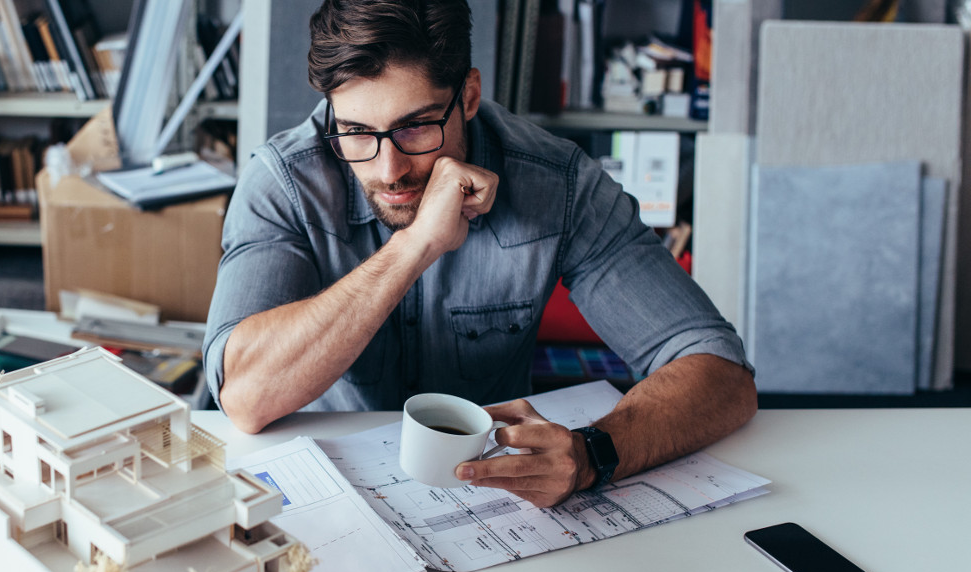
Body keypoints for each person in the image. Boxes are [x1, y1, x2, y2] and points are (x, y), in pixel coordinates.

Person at [202, 0, 757, 507]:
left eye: (415, 126)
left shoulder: (558, 184)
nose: (387, 169)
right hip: (326, 493)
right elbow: (246, 397)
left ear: (468, 96)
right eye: (355, 131)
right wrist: (416, 245)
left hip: (491, 495)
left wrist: (593, 454)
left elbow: (720, 372)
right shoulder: (283, 181)